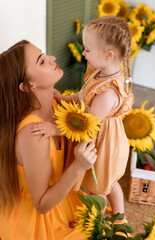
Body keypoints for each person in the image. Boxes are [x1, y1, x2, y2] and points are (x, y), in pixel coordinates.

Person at [31, 16, 134, 219]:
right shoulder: (99, 72)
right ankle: (120, 214)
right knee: (108, 181)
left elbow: (87, 124)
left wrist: (55, 129)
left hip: (104, 142)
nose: (83, 52)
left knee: (101, 187)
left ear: (108, 55)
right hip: (98, 135)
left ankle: (99, 220)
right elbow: (83, 94)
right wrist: (65, 98)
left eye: (87, 49)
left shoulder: (108, 93)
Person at [0, 40, 98, 240]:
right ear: (28, 86)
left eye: (44, 54)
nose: (52, 58)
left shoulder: (57, 103)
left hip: (61, 200)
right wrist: (78, 167)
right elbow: (42, 204)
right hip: (37, 222)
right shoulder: (33, 134)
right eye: (41, 61)